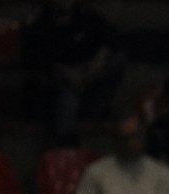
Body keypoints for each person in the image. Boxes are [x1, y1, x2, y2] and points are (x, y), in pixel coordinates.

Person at [21, 0, 127, 146]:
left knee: (118, 59)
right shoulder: (39, 25)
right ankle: (66, 142)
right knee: (67, 89)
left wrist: (98, 60)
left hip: (89, 85)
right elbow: (33, 59)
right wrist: (62, 71)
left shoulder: (87, 18)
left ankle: (97, 112)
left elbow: (114, 37)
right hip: (55, 95)